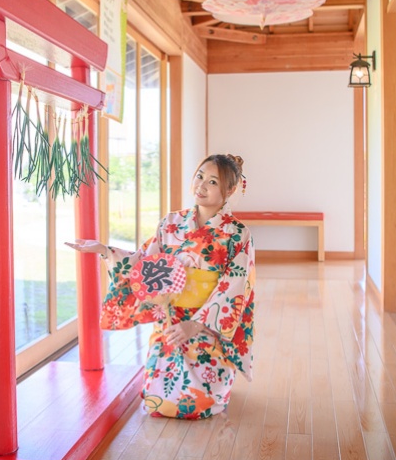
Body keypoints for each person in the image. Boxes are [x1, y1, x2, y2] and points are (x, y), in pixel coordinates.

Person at [67, 154, 255, 419]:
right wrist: (105, 250)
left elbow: (235, 285)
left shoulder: (237, 233)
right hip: (169, 315)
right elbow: (146, 261)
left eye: (212, 182)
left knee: (202, 402)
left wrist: (196, 324)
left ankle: (213, 386)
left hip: (207, 323)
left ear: (230, 190)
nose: (201, 185)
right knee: (159, 402)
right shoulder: (171, 222)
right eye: (199, 176)